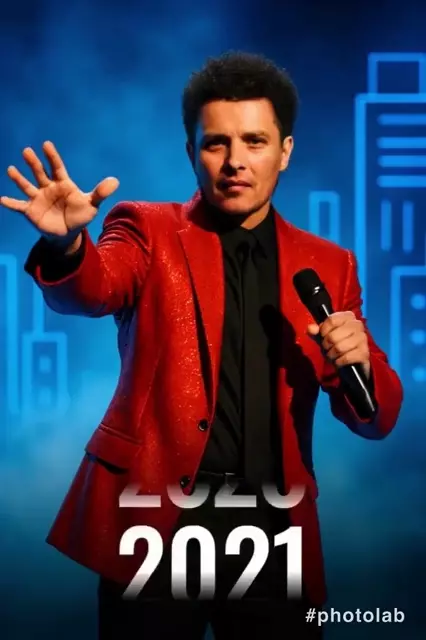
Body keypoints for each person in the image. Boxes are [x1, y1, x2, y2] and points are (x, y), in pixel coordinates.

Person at [1, 51, 403, 639]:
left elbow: (376, 417)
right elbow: (95, 286)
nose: (235, 161)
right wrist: (66, 247)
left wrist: (357, 359)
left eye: (255, 141)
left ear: (285, 151)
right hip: (157, 523)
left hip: (274, 532)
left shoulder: (329, 264)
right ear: (191, 151)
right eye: (216, 143)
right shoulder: (147, 228)